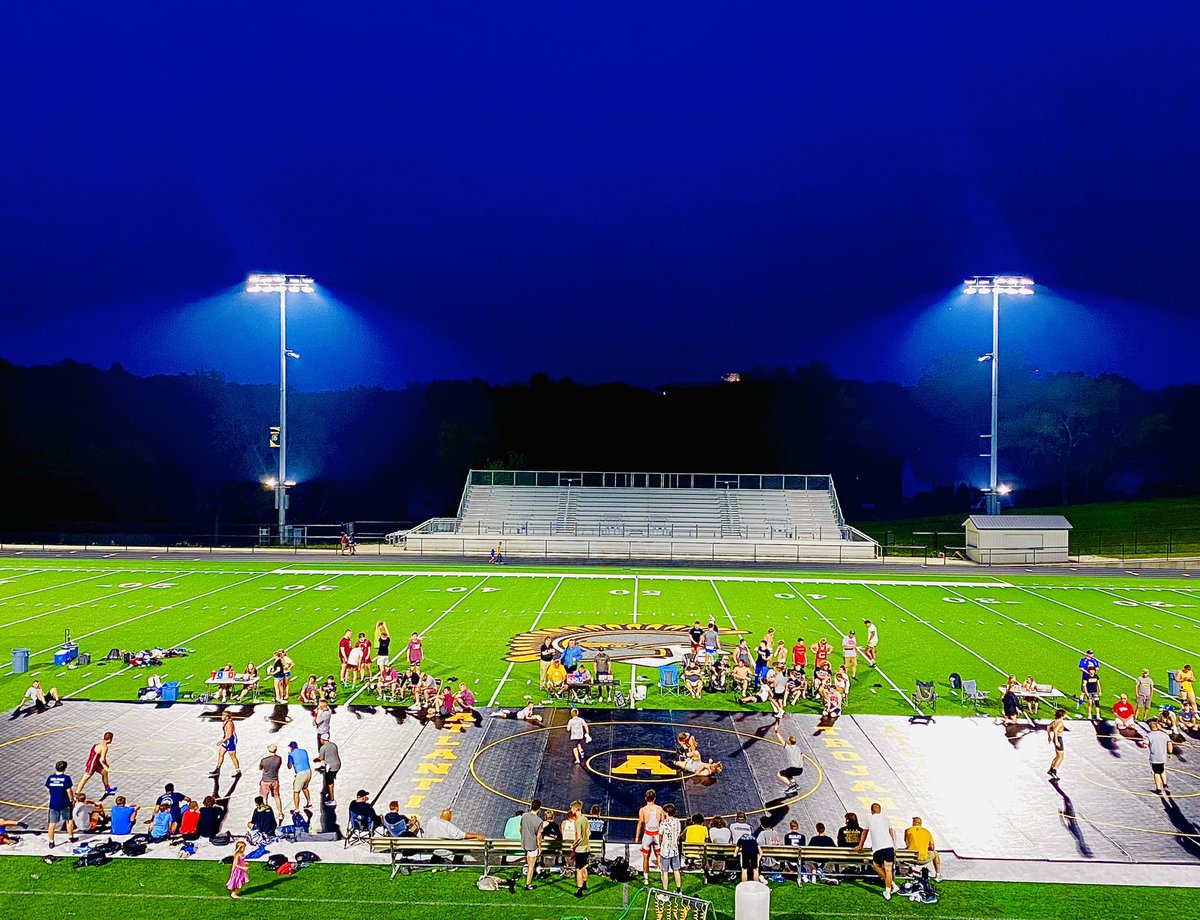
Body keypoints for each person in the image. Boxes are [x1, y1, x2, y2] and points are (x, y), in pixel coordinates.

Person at [856, 802, 899, 900]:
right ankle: (888, 891)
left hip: (878, 847)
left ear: (871, 811)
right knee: (888, 870)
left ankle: (892, 885)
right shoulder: (886, 819)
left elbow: (864, 833)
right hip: (889, 846)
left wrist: (860, 846)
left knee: (876, 865)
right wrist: (892, 844)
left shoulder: (869, 818)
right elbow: (890, 832)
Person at [635, 788, 665, 885]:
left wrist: (637, 837)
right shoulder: (659, 809)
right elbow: (663, 823)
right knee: (659, 856)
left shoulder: (643, 810)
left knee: (645, 857)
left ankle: (646, 879)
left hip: (647, 835)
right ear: (654, 798)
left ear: (645, 798)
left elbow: (640, 823)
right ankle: (662, 875)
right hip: (657, 834)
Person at [45, 760, 75, 848]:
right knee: (68, 820)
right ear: (65, 768)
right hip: (64, 803)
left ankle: (51, 841)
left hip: (54, 803)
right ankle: (70, 837)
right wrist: (71, 800)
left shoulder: (50, 778)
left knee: (52, 823)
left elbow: (49, 789)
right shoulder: (66, 778)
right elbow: (69, 790)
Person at [77, 731, 117, 797]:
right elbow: (103, 759)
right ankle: (76, 794)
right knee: (85, 778)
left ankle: (107, 789)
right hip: (93, 764)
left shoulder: (99, 743)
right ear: (110, 739)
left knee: (104, 772)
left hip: (95, 762)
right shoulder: (104, 747)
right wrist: (107, 765)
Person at [904, 816, 941, 880]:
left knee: (908, 850)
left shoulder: (908, 830)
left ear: (913, 823)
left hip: (911, 858)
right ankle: (938, 874)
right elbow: (932, 847)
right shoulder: (927, 832)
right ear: (921, 823)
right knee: (935, 853)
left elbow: (907, 843)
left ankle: (910, 871)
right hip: (923, 859)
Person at [657, 802, 682, 894]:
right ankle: (679, 891)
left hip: (665, 851)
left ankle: (665, 894)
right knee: (676, 870)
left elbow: (660, 836)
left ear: (666, 812)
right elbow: (678, 833)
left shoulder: (663, 823)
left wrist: (660, 844)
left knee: (665, 872)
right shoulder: (677, 821)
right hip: (675, 850)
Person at [520, 798, 544, 890]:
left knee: (529, 862)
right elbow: (539, 837)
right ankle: (528, 884)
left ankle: (528, 881)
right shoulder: (539, 821)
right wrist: (539, 847)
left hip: (525, 842)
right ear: (539, 808)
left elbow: (521, 828)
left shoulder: (524, 816)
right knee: (531, 866)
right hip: (532, 845)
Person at [569, 799, 591, 898]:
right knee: (584, 867)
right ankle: (585, 884)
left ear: (576, 809)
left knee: (578, 869)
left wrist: (573, 845)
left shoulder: (577, 821)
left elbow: (579, 837)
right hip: (587, 847)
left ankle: (579, 889)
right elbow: (588, 833)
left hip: (580, 848)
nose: (571, 811)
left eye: (572, 809)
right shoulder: (585, 819)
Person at [1146, 718, 1174, 795]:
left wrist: (1144, 744)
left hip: (1154, 757)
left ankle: (1158, 788)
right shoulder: (1165, 735)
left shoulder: (1149, 735)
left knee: (1156, 772)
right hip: (1163, 757)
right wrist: (1170, 753)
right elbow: (1169, 743)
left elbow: (1145, 744)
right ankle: (1165, 784)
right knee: (1162, 769)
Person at [773, 728, 805, 794]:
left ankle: (791, 786)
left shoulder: (789, 748)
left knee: (779, 774)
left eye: (787, 740)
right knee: (788, 774)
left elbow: (781, 740)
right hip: (800, 769)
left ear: (789, 742)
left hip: (794, 769)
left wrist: (776, 732)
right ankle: (795, 784)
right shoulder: (798, 748)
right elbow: (802, 755)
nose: (786, 740)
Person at [212, 711, 241, 777]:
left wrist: (221, 741)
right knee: (221, 753)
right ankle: (217, 769)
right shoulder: (225, 722)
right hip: (226, 739)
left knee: (232, 756)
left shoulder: (229, 724)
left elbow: (229, 735)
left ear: (227, 717)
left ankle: (238, 771)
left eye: (223, 715)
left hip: (231, 740)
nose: (221, 717)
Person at [259, 744, 284, 820]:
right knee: (277, 797)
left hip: (265, 780)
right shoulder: (279, 759)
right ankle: (280, 813)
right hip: (274, 780)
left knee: (264, 797)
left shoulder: (264, 760)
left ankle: (265, 813)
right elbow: (278, 767)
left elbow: (260, 768)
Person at [287, 741, 313, 812]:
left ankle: (297, 809)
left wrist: (288, 757)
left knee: (296, 791)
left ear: (291, 748)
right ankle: (309, 802)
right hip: (308, 771)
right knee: (305, 788)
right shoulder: (304, 751)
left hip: (300, 773)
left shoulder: (291, 755)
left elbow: (289, 766)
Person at [315, 737, 341, 805]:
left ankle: (332, 799)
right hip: (337, 764)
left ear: (322, 739)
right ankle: (328, 793)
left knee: (330, 783)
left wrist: (316, 760)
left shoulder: (323, 748)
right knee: (328, 779)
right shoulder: (333, 745)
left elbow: (321, 758)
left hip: (331, 767)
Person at [1047, 708, 1067, 779]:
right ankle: (1054, 770)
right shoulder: (1060, 722)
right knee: (1061, 757)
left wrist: (1049, 736)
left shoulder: (1055, 721)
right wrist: (1057, 741)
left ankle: (1051, 769)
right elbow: (1055, 730)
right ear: (1062, 715)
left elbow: (1048, 726)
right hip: (1058, 739)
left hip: (1055, 739)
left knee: (1057, 756)